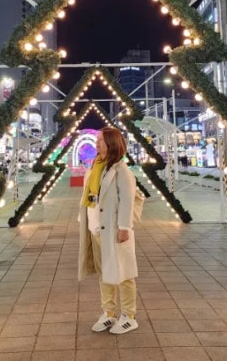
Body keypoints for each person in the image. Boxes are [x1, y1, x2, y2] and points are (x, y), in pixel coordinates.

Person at [78, 127, 139, 335]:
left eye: (101, 140)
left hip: (114, 230)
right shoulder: (95, 166)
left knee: (124, 273)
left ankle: (129, 316)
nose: (97, 143)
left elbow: (127, 200)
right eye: (97, 139)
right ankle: (109, 313)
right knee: (105, 273)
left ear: (112, 143)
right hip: (95, 229)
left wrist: (124, 227)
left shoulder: (121, 170)